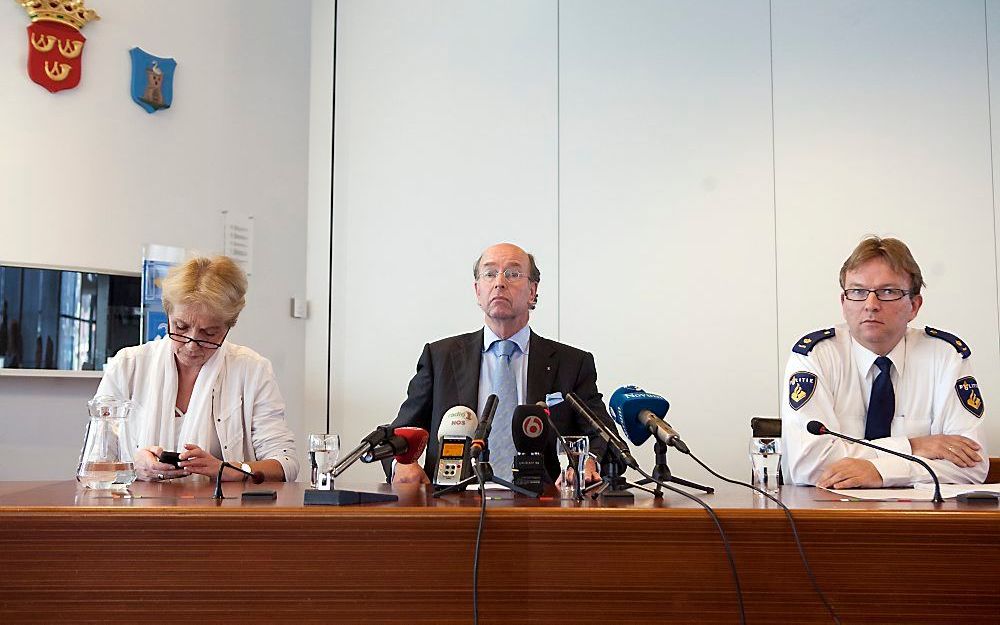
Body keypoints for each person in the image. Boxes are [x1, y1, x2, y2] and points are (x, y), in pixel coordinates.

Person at [390, 242, 613, 486]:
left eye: (512, 274)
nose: (499, 282)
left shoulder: (572, 363)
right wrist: (402, 464)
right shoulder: (440, 357)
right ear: (477, 290)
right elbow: (399, 435)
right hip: (454, 504)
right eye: (489, 273)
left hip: (543, 508)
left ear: (532, 291)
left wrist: (587, 461)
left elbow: (605, 439)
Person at [782, 236, 988, 489]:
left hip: (922, 520)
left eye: (888, 292)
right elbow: (808, 465)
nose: (871, 305)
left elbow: (972, 465)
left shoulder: (946, 357)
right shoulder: (815, 357)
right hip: (829, 516)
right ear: (844, 303)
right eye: (858, 291)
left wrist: (880, 471)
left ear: (914, 305)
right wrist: (915, 445)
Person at [95, 255, 298, 483]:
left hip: (221, 514)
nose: (192, 344)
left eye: (209, 333)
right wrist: (133, 467)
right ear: (168, 315)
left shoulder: (252, 370)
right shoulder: (127, 366)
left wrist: (226, 469)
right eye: (181, 327)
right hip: (139, 513)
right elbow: (93, 463)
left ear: (229, 326)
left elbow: (285, 464)